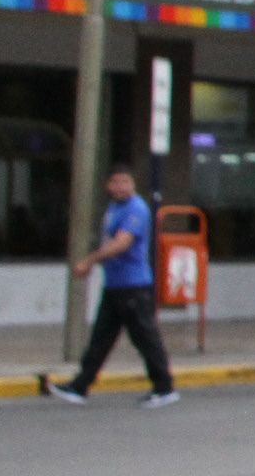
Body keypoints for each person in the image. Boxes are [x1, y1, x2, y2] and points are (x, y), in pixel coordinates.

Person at [41, 166, 178, 406]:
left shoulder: (136, 209)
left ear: (133, 184)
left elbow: (121, 243)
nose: (120, 187)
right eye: (115, 182)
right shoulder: (114, 207)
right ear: (108, 185)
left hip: (134, 286)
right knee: (101, 338)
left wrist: (89, 261)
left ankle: (164, 387)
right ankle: (80, 385)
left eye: (125, 182)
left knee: (145, 338)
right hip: (115, 284)